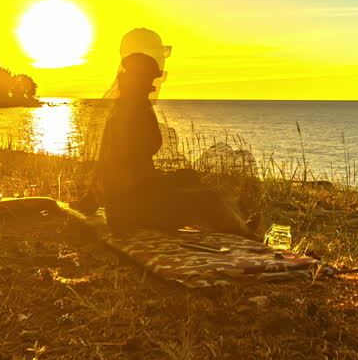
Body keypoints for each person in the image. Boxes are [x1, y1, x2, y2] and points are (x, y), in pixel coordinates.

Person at [96, 52, 251, 237]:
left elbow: (110, 167)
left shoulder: (123, 110)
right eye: (149, 80)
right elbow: (127, 174)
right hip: (136, 211)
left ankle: (235, 231)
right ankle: (245, 240)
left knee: (188, 177)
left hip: (133, 203)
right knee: (211, 198)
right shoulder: (131, 114)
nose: (152, 88)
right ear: (136, 81)